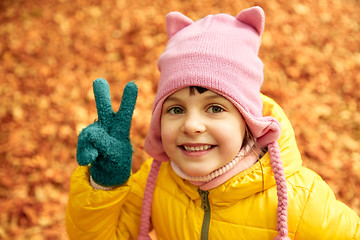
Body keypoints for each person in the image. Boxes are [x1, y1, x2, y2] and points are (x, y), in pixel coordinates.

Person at [65, 6, 360, 240]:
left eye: (215, 108)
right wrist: (103, 184)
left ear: (248, 120)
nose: (192, 125)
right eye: (176, 109)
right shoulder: (156, 182)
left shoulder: (302, 204)